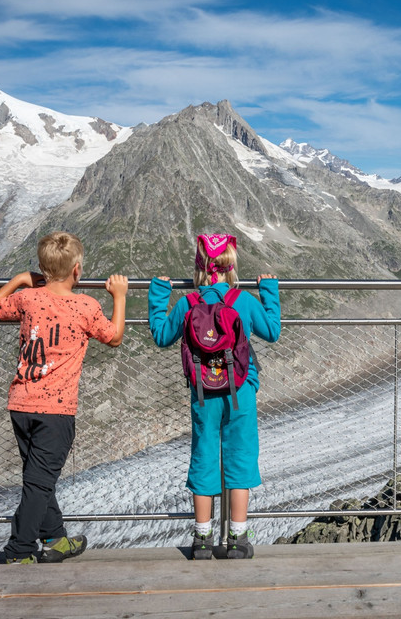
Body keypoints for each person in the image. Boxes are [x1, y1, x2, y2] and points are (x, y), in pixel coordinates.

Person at [0, 231, 128, 565]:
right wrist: (119, 296)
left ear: (42, 268)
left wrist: (20, 280)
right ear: (77, 270)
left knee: (38, 477)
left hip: (21, 403)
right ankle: (18, 551)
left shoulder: (27, 299)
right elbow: (114, 337)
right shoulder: (86, 306)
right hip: (56, 411)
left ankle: (55, 538)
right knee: (38, 483)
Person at [148, 233, 281, 559]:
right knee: (240, 459)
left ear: (200, 268)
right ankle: (237, 539)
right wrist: (268, 289)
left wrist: (160, 293)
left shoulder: (188, 303)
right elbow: (272, 331)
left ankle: (202, 540)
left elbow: (162, 335)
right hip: (241, 392)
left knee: (204, 457)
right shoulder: (243, 301)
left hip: (203, 393)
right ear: (230, 268)